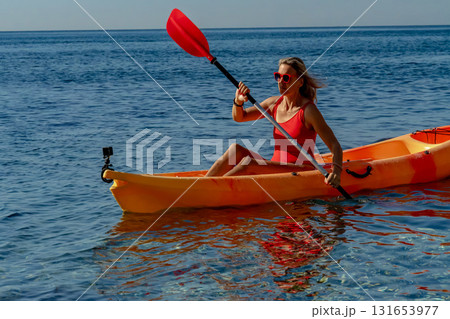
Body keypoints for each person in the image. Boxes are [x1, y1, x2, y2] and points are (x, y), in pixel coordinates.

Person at [205, 57, 343, 188]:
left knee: (248, 163)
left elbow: (334, 145)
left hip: (302, 170)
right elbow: (240, 117)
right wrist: (239, 101)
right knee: (235, 150)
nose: (281, 81)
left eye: (286, 78)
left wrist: (336, 172)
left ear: (300, 82)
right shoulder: (273, 104)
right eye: (278, 76)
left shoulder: (308, 111)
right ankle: (205, 185)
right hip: (276, 166)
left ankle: (211, 190)